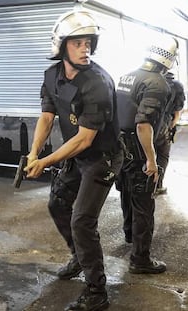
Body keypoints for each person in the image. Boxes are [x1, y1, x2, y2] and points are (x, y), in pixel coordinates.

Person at [24, 9, 123, 311]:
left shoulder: (98, 83)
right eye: (77, 43)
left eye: (88, 42)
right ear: (61, 46)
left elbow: (85, 139)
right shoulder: (52, 76)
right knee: (57, 204)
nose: (85, 49)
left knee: (82, 220)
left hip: (101, 158)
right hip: (76, 155)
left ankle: (97, 291)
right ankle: (79, 257)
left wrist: (45, 161)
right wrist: (33, 153)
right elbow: (46, 116)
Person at [115, 35, 179, 273]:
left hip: (121, 149)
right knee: (144, 204)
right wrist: (151, 161)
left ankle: (130, 235)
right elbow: (143, 124)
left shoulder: (127, 76)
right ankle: (140, 260)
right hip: (138, 151)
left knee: (127, 195)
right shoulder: (158, 83)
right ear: (169, 59)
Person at [154, 71, 185, 195]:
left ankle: (144, 185)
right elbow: (177, 112)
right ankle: (157, 185)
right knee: (162, 155)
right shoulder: (176, 85)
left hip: (144, 125)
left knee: (146, 155)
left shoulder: (148, 79)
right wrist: (171, 127)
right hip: (164, 126)